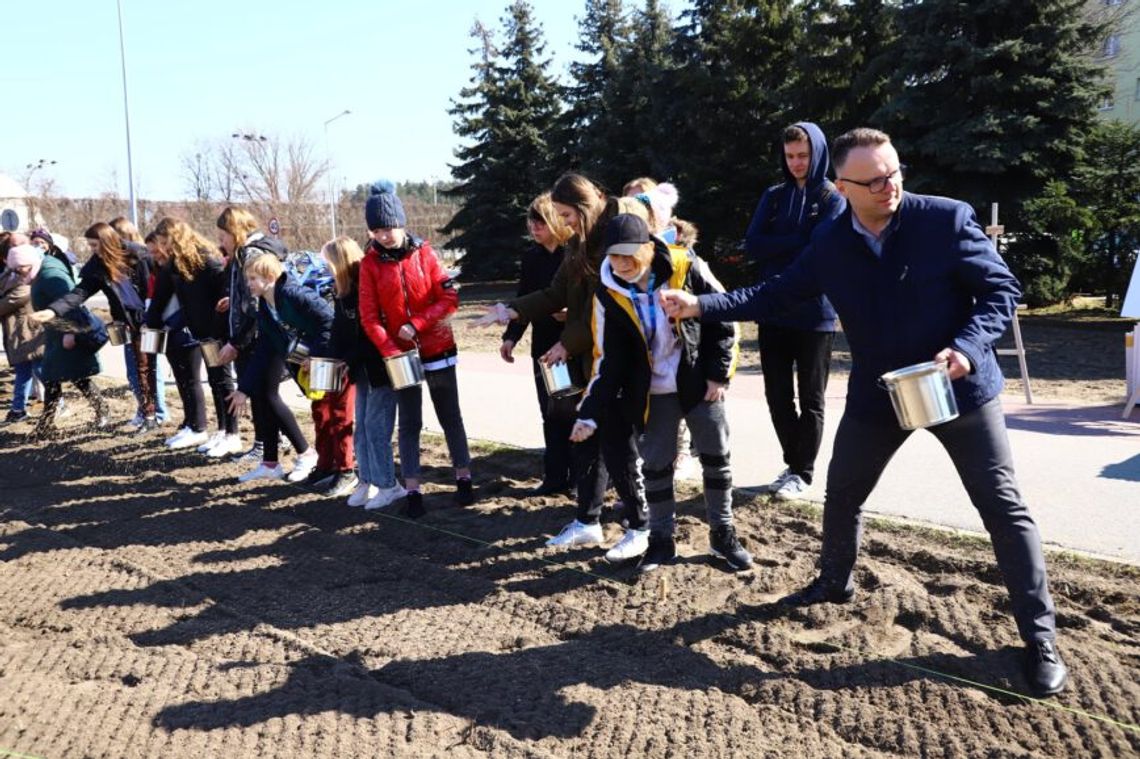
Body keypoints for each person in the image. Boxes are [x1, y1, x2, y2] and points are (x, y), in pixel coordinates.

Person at [660, 127, 1068, 697]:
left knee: (1003, 507)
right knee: (843, 491)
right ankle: (835, 582)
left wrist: (968, 351)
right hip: (880, 394)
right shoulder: (830, 242)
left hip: (961, 390)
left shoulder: (944, 220)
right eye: (874, 180)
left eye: (894, 173)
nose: (890, 186)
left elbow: (1001, 290)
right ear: (842, 186)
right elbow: (774, 293)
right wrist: (701, 303)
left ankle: (1039, 637)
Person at [479, 174, 649, 560]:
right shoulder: (577, 246)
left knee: (618, 445)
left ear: (586, 208)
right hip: (590, 359)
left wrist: (565, 342)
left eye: (567, 214)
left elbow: (603, 310)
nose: (564, 222)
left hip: (617, 359)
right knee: (585, 439)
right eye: (559, 215)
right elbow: (555, 293)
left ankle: (641, 524)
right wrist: (510, 310)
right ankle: (588, 522)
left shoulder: (615, 239)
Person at [571, 214, 750, 571]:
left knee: (715, 456)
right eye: (613, 256)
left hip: (698, 380)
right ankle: (661, 540)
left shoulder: (687, 266)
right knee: (655, 465)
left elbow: (724, 316)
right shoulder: (607, 294)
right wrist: (588, 412)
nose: (621, 264)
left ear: (649, 249)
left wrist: (718, 375)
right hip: (652, 389)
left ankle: (723, 533)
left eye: (629, 256)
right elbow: (607, 358)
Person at [743, 122, 845, 499]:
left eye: (803, 155)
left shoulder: (832, 196)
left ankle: (803, 472)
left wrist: (783, 244)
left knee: (811, 398)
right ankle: (792, 463)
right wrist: (798, 239)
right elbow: (753, 243)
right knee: (777, 394)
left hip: (815, 313)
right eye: (790, 156)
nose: (797, 163)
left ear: (816, 152)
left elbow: (821, 248)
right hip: (773, 310)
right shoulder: (773, 195)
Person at [359, 180, 473, 514]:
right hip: (402, 357)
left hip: (438, 349)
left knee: (450, 416)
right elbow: (369, 317)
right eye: (377, 230)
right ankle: (412, 490)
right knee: (409, 423)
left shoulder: (425, 252)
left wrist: (418, 324)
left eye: (389, 227)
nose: (384, 235)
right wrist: (391, 349)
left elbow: (449, 297)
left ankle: (464, 478)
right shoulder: (369, 265)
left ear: (402, 223)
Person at [31, 222, 156, 430]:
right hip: (125, 322)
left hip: (149, 319)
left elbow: (152, 288)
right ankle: (148, 413)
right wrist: (53, 310)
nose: (92, 250)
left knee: (149, 366)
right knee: (137, 368)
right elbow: (80, 293)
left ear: (107, 242)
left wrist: (153, 318)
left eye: (94, 245)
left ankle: (155, 414)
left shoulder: (138, 256)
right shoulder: (98, 265)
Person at [499, 193, 574, 495]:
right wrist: (510, 337)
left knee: (573, 411)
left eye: (540, 221)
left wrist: (572, 314)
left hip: (572, 345)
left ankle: (581, 479)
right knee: (551, 412)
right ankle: (554, 477)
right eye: (531, 221)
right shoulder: (531, 258)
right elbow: (524, 299)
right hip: (543, 346)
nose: (534, 226)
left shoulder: (574, 254)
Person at [226, 254, 325, 483]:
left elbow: (328, 321)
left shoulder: (292, 294)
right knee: (262, 394)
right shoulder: (265, 304)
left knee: (325, 412)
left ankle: (309, 455)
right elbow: (264, 347)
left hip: (320, 360)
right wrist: (244, 389)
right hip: (296, 356)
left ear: (270, 277)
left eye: (252, 278)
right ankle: (270, 463)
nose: (248, 283)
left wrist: (318, 354)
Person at [147, 218, 241, 456]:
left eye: (165, 242)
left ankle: (233, 432)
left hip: (216, 331)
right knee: (214, 380)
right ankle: (222, 430)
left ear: (176, 237)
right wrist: (148, 324)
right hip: (201, 332)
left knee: (223, 380)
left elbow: (224, 288)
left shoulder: (205, 258)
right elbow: (160, 299)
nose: (163, 248)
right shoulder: (175, 265)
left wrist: (223, 314)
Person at [215, 207, 288, 463]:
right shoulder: (241, 254)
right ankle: (267, 442)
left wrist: (236, 342)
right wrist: (232, 301)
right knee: (261, 394)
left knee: (263, 394)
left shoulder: (251, 254)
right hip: (249, 337)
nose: (221, 241)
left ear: (236, 230)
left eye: (224, 235)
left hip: (256, 339)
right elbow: (245, 297)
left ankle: (269, 444)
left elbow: (256, 306)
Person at [323, 236, 390, 504]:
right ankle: (366, 481)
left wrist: (347, 360)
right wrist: (327, 360)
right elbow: (338, 333)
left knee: (375, 428)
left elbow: (369, 335)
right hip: (359, 371)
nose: (325, 269)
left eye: (328, 263)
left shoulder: (365, 288)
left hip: (377, 368)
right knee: (361, 427)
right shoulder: (341, 293)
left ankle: (386, 483)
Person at [18, 243, 109, 436]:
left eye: (20, 269)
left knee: (74, 377)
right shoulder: (40, 272)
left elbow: (72, 302)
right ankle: (47, 424)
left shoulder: (50, 275)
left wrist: (72, 332)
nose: (18, 274)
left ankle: (101, 412)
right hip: (57, 335)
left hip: (67, 333)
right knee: (56, 377)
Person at [110, 218, 170, 428]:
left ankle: (158, 411)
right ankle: (143, 408)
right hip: (128, 323)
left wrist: (147, 319)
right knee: (134, 371)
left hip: (145, 322)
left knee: (149, 369)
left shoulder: (142, 258)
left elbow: (149, 291)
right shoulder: (118, 263)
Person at [1, 239, 46, 424]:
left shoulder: (26, 285)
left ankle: (57, 403)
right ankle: (18, 409)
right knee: (23, 372)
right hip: (17, 334)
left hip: (31, 333)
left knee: (41, 371)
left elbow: (5, 304)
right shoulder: (10, 277)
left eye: (21, 266)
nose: (18, 270)